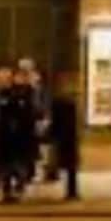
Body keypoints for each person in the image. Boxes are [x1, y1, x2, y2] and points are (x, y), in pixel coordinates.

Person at [0, 66, 35, 203]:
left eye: (7, 78)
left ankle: (17, 189)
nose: (4, 81)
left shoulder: (16, 94)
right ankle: (7, 190)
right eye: (2, 78)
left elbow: (22, 114)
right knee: (5, 165)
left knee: (16, 164)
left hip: (15, 136)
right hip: (2, 136)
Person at [49, 72, 80, 201]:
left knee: (68, 164)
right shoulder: (70, 102)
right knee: (71, 166)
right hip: (69, 137)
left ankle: (71, 190)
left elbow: (55, 120)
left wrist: (52, 133)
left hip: (63, 136)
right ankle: (72, 191)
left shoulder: (58, 102)